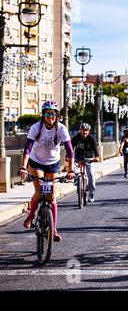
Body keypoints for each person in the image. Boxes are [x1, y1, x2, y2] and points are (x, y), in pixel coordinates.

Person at [19, 101, 75, 242]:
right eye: (48, 113)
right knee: (38, 192)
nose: (51, 116)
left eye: (53, 113)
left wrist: (71, 170)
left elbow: (70, 151)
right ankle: (31, 216)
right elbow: (27, 148)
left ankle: (54, 229)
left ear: (57, 116)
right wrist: (23, 167)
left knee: (52, 196)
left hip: (53, 164)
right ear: (43, 115)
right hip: (36, 162)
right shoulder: (36, 128)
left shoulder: (61, 129)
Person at [71, 123, 100, 202]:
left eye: (86, 130)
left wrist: (97, 157)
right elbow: (70, 148)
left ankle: (91, 191)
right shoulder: (76, 138)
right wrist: (68, 156)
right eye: (83, 130)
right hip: (78, 158)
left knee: (90, 174)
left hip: (89, 158)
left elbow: (95, 149)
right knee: (72, 169)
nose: (85, 132)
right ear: (80, 130)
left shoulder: (91, 139)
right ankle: (77, 180)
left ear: (89, 131)